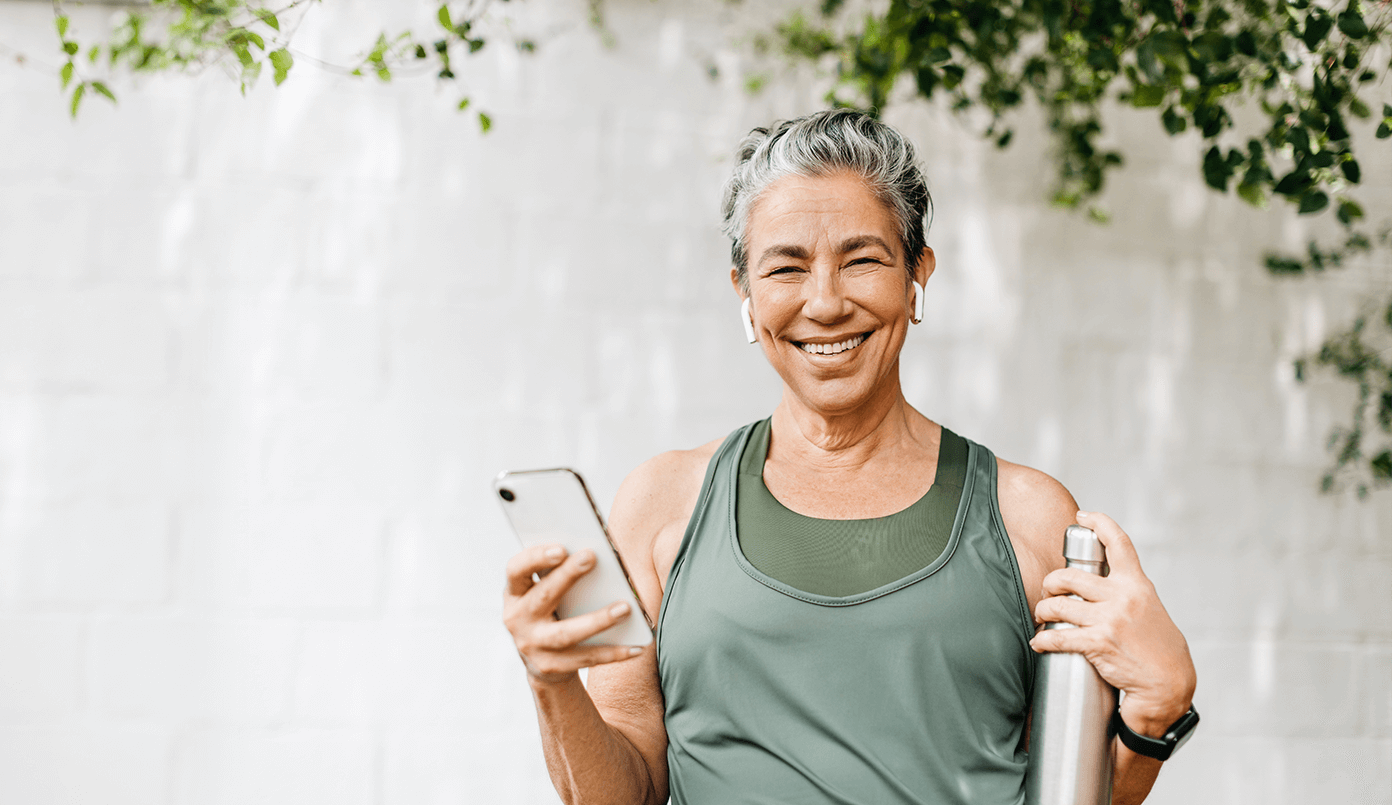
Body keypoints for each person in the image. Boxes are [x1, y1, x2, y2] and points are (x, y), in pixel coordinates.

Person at [502, 109, 1196, 805]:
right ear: (745, 291)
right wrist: (552, 680)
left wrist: (1155, 711)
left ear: (917, 273)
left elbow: (1068, 796)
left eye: (862, 259)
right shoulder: (662, 505)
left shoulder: (1029, 515)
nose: (826, 302)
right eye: (787, 266)